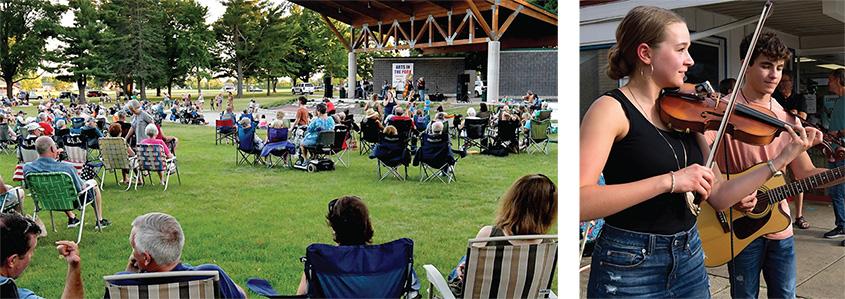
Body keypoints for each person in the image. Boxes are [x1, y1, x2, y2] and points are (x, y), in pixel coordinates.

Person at [580, 7, 817, 298]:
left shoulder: (684, 111)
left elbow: (719, 196)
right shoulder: (611, 109)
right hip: (629, 262)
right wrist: (670, 182)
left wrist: (781, 159)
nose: (690, 61)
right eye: (680, 49)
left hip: (690, 255)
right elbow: (579, 201)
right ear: (645, 53)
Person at [704, 32, 844, 298]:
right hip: (735, 225)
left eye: (779, 68)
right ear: (746, 65)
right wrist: (727, 193)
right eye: (766, 65)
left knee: (785, 295)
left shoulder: (788, 119)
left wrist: (841, 173)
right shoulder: (721, 112)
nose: (774, 75)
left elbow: (807, 173)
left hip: (778, 227)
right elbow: (704, 166)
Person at [447, 174, 557, 296]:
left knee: (462, 264)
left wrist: (464, 272)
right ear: (549, 210)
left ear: (512, 201)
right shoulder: (547, 247)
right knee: (466, 260)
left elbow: (470, 282)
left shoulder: (488, 235)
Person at [112, 212, 246, 298]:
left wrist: (129, 275)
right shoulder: (209, 275)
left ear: (146, 258)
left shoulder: (121, 284)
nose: (133, 254)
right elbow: (242, 296)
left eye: (133, 248)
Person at [23, 136, 111, 228]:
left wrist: (54, 159)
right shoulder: (66, 168)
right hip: (71, 202)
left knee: (57, 188)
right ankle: (99, 220)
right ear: (53, 149)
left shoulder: (28, 168)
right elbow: (82, 188)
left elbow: (27, 186)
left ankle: (72, 218)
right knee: (92, 183)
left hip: (45, 200)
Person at [0, 213, 83, 299]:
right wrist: (74, 266)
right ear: (13, 260)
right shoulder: (14, 295)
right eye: (30, 252)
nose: (32, 255)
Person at [824, 67, 845, 247]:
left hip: (844, 153)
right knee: (835, 191)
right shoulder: (839, 101)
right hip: (836, 152)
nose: (829, 83)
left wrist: (837, 132)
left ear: (838, 80)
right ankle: (841, 226)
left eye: (830, 79)